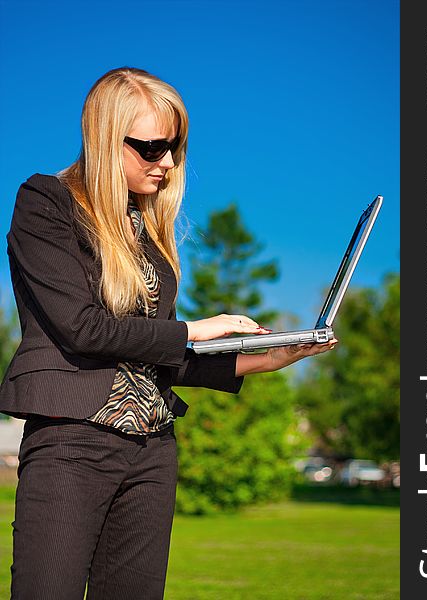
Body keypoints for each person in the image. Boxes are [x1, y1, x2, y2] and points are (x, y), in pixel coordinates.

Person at [0, 66, 337, 600]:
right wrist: (197, 327)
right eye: (152, 148)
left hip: (152, 451)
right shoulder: (46, 203)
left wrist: (267, 357)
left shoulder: (150, 239)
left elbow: (160, 357)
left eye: (175, 147)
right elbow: (84, 330)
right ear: (107, 138)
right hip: (71, 444)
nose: (169, 163)